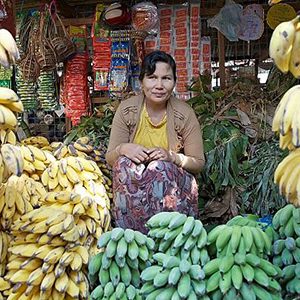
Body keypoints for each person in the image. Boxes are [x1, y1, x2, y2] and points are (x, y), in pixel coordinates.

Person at [105, 50, 205, 233]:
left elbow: (198, 163)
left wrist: (173, 157)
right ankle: (131, 236)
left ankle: (168, 234)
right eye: (152, 77)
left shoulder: (184, 114)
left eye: (166, 78)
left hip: (173, 191)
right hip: (137, 189)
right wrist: (123, 148)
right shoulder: (128, 110)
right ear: (141, 82)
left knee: (159, 167)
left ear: (174, 82)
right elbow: (110, 158)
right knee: (123, 164)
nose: (159, 85)